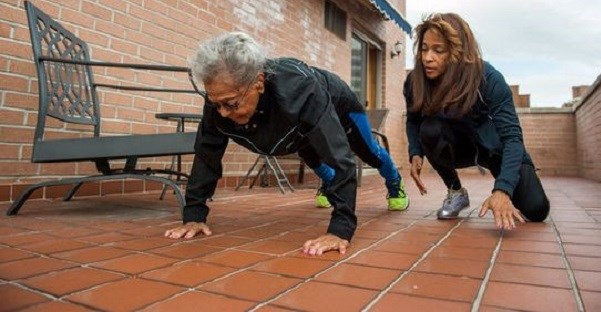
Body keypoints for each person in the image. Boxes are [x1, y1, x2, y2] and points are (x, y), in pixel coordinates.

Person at [164, 32, 409, 255]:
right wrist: (194, 214)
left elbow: (341, 157)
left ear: (258, 82)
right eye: (216, 103)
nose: (223, 113)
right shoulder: (220, 99)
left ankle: (394, 182)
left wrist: (340, 229)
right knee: (309, 152)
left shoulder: (300, 91)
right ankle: (328, 183)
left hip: (339, 102)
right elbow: (207, 153)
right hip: (295, 124)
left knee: (368, 151)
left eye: (231, 104)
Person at [404, 13, 549, 230]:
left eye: (438, 50)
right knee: (429, 129)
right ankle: (456, 192)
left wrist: (503, 189)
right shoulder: (415, 82)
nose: (428, 57)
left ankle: (514, 179)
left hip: (495, 149)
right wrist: (415, 151)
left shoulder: (489, 79)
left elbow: (512, 138)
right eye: (424, 48)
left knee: (537, 210)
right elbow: (414, 119)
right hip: (460, 146)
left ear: (458, 52)